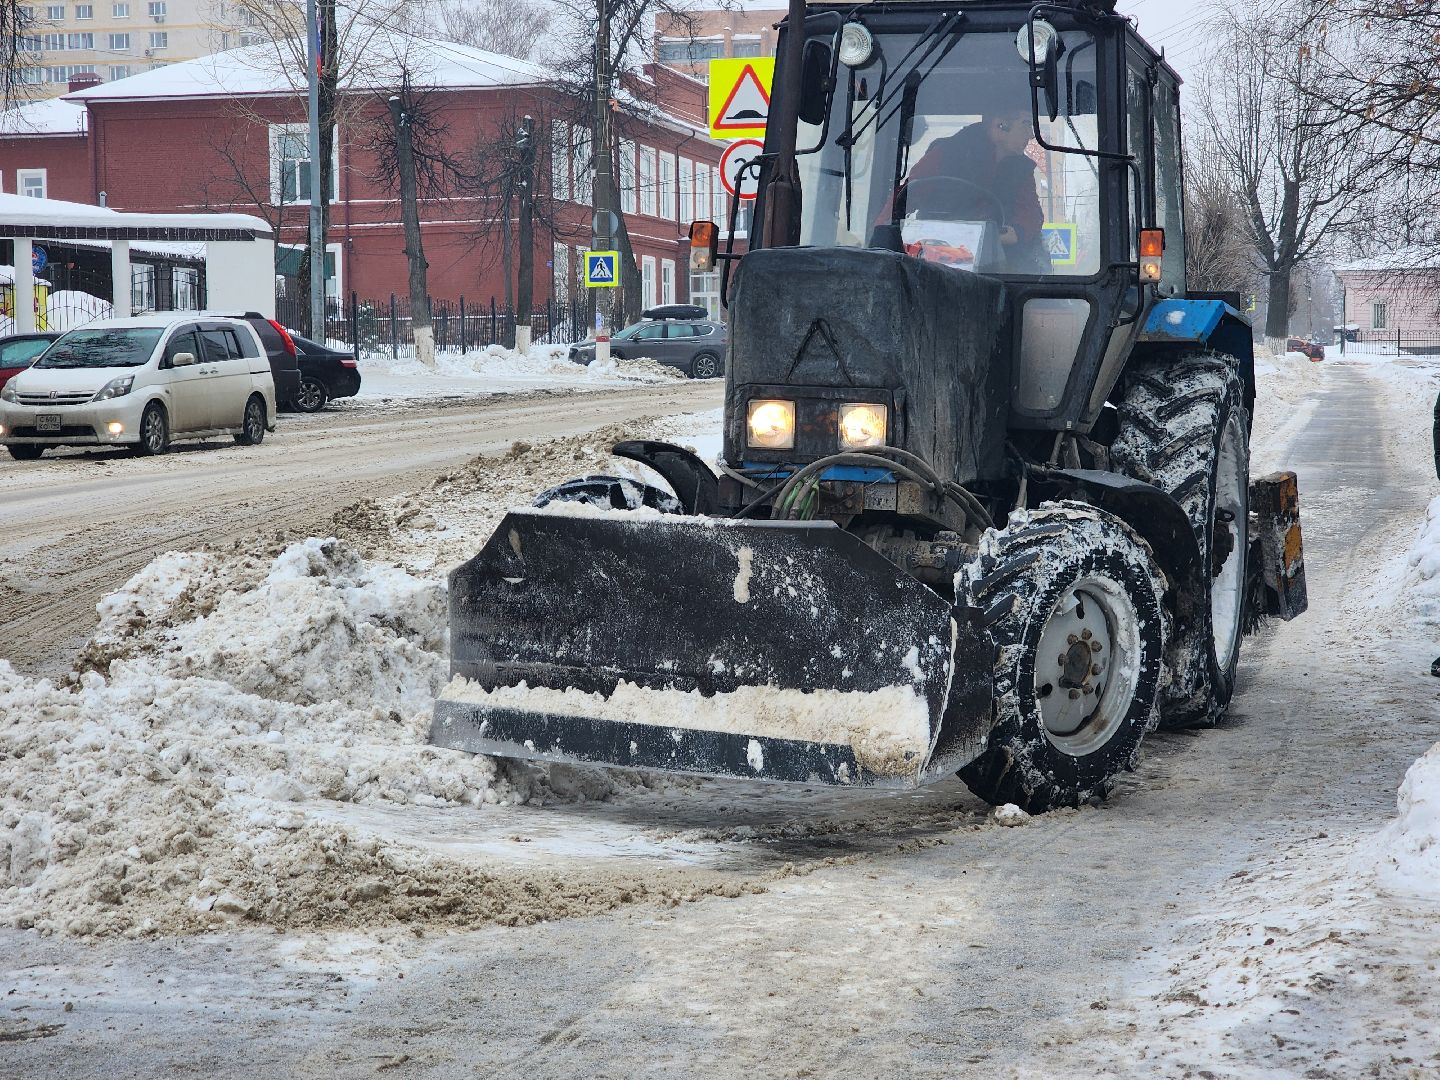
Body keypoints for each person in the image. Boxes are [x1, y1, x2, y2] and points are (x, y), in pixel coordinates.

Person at [896, 109, 1049, 273]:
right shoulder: (946, 154)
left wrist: (1016, 232)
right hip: (935, 265)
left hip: (1000, 272)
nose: (1032, 135)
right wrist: (880, 239)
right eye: (1026, 124)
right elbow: (903, 198)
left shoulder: (1021, 169)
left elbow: (1030, 213)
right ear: (1000, 126)